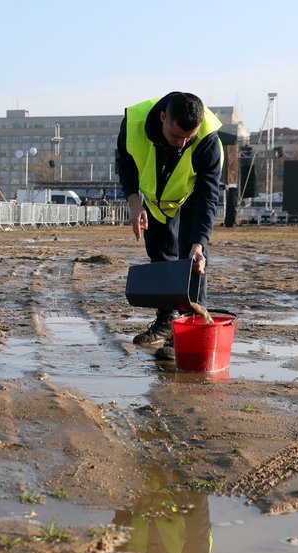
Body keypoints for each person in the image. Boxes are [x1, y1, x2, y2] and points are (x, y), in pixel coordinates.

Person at [116, 92, 223, 360]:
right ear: (163, 117)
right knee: (160, 257)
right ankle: (165, 322)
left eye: (189, 138)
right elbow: (126, 164)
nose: (182, 144)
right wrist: (133, 202)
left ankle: (187, 330)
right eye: (176, 137)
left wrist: (199, 243)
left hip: (190, 197)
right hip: (153, 201)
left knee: (194, 260)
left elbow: (209, 197)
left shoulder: (208, 140)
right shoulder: (133, 125)